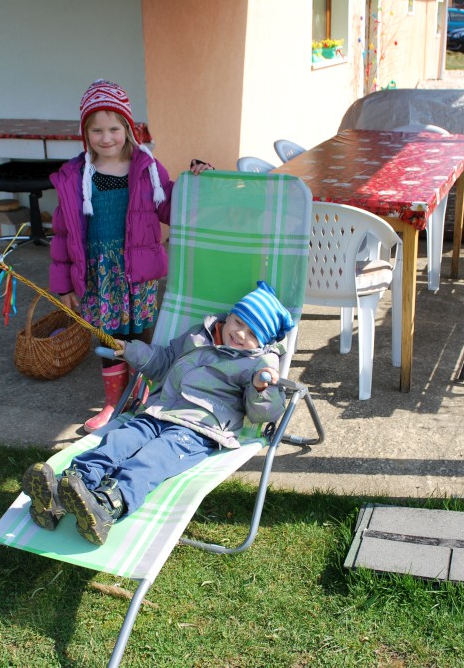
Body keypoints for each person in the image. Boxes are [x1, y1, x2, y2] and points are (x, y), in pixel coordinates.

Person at [21, 281, 294, 545]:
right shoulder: (198, 335)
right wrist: (131, 351)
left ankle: (105, 507)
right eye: (239, 323)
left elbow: (263, 413)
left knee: (150, 460)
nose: (241, 334)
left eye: (253, 334)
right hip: (157, 412)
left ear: (263, 341)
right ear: (230, 316)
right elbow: (163, 361)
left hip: (197, 430)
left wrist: (261, 388)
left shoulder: (260, 364)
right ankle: (67, 488)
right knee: (117, 442)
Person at [49, 79, 212, 433]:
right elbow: (62, 235)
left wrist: (197, 182)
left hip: (137, 272)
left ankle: (142, 397)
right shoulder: (75, 176)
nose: (106, 138)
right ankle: (113, 402)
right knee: (108, 337)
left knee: (140, 336)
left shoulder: (147, 168)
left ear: (128, 128)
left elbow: (171, 207)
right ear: (85, 133)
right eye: (96, 130)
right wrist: (64, 286)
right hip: (98, 274)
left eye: (114, 129)